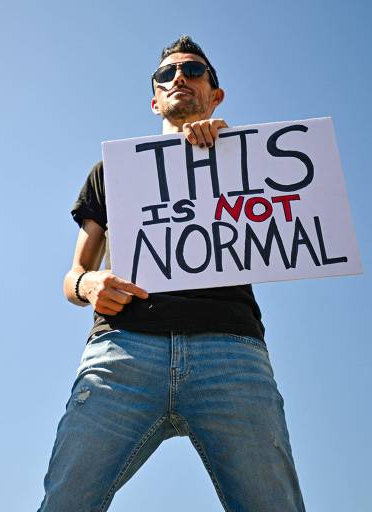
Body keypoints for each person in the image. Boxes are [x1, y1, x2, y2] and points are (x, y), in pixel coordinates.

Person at [38, 36, 305, 511]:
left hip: (231, 352)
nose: (179, 77)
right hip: (123, 351)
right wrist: (90, 284)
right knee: (65, 502)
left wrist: (223, 150)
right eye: (166, 74)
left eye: (194, 70)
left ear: (215, 94)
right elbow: (74, 273)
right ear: (155, 98)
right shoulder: (110, 171)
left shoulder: (245, 161)